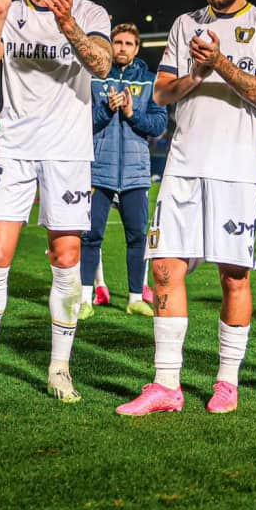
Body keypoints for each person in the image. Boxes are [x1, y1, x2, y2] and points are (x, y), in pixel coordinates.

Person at [117, 0, 256, 416]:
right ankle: (167, 384)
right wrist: (193, 73)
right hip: (183, 165)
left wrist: (218, 64)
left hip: (236, 169)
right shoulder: (185, 24)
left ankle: (226, 382)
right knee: (164, 267)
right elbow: (163, 94)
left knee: (233, 276)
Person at [0, 0, 112, 409]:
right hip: (15, 149)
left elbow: (103, 64)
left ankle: (59, 369)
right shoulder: (9, 12)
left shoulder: (88, 12)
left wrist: (68, 27)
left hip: (67, 152)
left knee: (66, 258)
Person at [83, 22, 166, 319]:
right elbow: (83, 122)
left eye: (128, 43)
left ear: (137, 48)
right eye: (117, 42)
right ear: (110, 45)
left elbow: (158, 124)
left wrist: (132, 113)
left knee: (137, 238)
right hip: (98, 171)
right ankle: (84, 299)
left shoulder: (149, 81)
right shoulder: (94, 78)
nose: (122, 48)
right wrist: (106, 109)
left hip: (135, 173)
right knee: (91, 236)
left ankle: (134, 297)